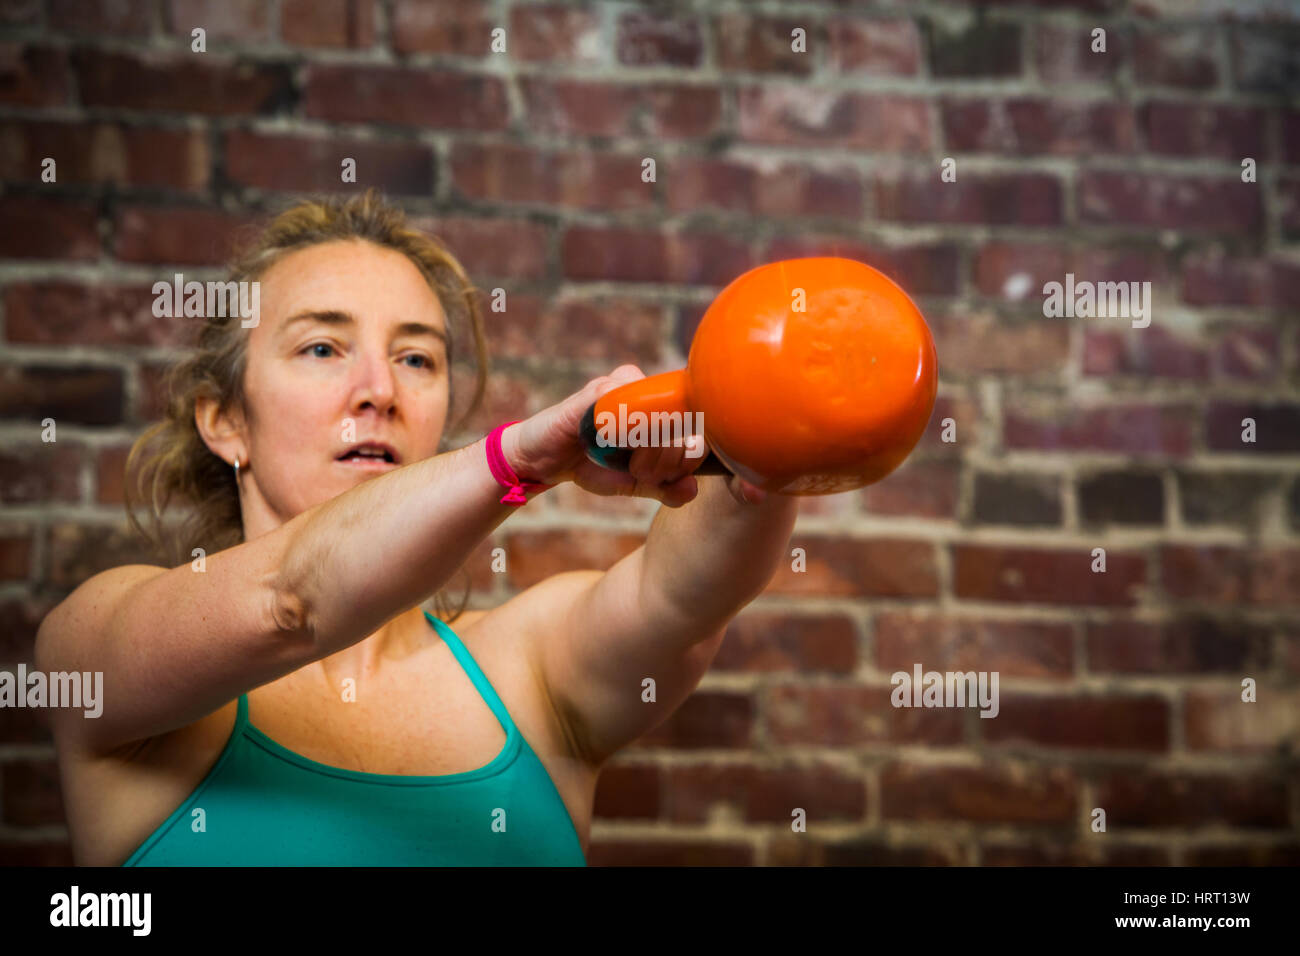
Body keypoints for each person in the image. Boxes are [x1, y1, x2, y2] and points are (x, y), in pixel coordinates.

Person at [34, 189, 799, 866]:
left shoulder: (531, 669)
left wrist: (755, 428)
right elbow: (288, 602)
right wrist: (516, 462)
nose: (380, 390)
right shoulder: (97, 639)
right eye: (322, 347)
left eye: (418, 358)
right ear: (226, 421)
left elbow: (687, 597)